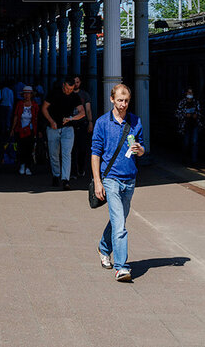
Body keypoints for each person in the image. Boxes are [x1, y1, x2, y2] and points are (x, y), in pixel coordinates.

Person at [91, 83, 145, 282]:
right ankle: (122, 267)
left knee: (118, 220)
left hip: (129, 179)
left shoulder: (135, 121)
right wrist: (98, 182)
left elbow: (141, 148)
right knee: (120, 224)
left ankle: (103, 248)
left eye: (127, 101)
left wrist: (140, 150)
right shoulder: (102, 123)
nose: (123, 105)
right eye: (120, 100)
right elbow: (95, 153)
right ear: (112, 99)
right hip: (111, 179)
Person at [42, 76, 84, 189]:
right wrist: (51, 121)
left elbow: (82, 112)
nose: (68, 91)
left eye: (71, 89)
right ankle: (56, 174)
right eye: (67, 89)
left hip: (68, 128)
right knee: (53, 153)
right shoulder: (54, 93)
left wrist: (71, 119)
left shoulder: (75, 97)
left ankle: (65, 179)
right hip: (53, 127)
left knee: (66, 154)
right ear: (63, 85)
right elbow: (44, 108)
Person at [10, 84, 39, 175]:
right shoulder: (19, 104)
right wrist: (12, 129)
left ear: (31, 95)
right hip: (20, 129)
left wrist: (38, 131)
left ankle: (28, 167)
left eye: (28, 94)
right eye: (25, 94)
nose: (27, 95)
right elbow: (15, 116)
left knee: (29, 149)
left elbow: (37, 118)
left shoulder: (35, 105)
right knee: (21, 148)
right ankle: (22, 165)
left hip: (30, 130)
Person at [71, 76, 93, 178]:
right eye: (74, 82)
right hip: (71, 124)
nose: (76, 84)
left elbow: (88, 109)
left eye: (77, 82)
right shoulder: (68, 94)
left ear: (80, 82)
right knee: (71, 149)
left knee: (82, 148)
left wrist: (90, 122)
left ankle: (81, 167)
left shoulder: (84, 94)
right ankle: (73, 171)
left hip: (82, 124)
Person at [175, 86, 202, 164]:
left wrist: (196, 115)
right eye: (189, 92)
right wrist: (185, 114)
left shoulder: (196, 102)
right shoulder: (182, 102)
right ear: (186, 93)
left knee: (194, 142)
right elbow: (177, 113)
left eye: (191, 92)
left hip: (194, 124)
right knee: (186, 143)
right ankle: (184, 158)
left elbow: (199, 112)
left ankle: (194, 160)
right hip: (185, 125)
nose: (190, 94)